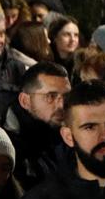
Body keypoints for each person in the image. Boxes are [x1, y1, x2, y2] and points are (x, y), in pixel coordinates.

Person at [5, 62, 69, 191]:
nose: (62, 105)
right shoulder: (10, 152)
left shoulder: (66, 133)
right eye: (51, 96)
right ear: (25, 101)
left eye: (67, 96)